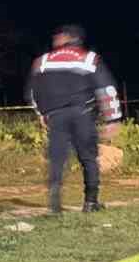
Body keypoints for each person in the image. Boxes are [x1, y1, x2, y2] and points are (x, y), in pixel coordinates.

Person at [26, 24, 122, 214]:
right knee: (88, 158)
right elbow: (106, 90)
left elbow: (32, 92)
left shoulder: (42, 61)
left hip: (56, 116)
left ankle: (54, 204)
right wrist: (113, 119)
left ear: (65, 38)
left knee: (57, 159)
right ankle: (90, 202)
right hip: (82, 114)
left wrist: (41, 113)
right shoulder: (89, 59)